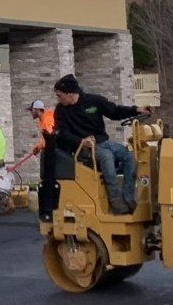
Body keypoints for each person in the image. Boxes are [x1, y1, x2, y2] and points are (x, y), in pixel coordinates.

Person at [50, 73, 148, 213]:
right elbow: (63, 133)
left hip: (104, 141)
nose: (58, 98)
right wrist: (82, 141)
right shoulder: (61, 110)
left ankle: (128, 196)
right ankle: (115, 200)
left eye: (60, 95)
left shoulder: (94, 101)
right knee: (106, 156)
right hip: (84, 148)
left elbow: (115, 111)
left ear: (70, 93)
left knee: (129, 156)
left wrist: (136, 110)